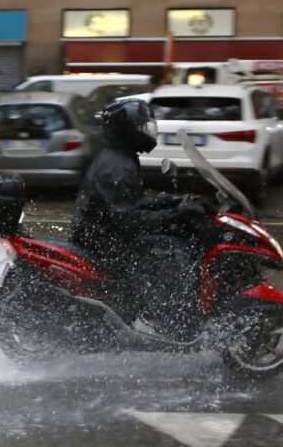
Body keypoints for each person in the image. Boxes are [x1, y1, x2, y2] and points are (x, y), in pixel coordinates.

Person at [71, 99, 203, 335]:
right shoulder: (118, 167)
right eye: (141, 127)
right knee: (172, 248)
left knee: (167, 238)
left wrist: (164, 202)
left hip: (103, 230)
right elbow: (128, 220)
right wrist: (175, 214)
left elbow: (125, 207)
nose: (147, 132)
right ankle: (166, 318)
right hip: (102, 238)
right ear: (126, 131)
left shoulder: (120, 158)